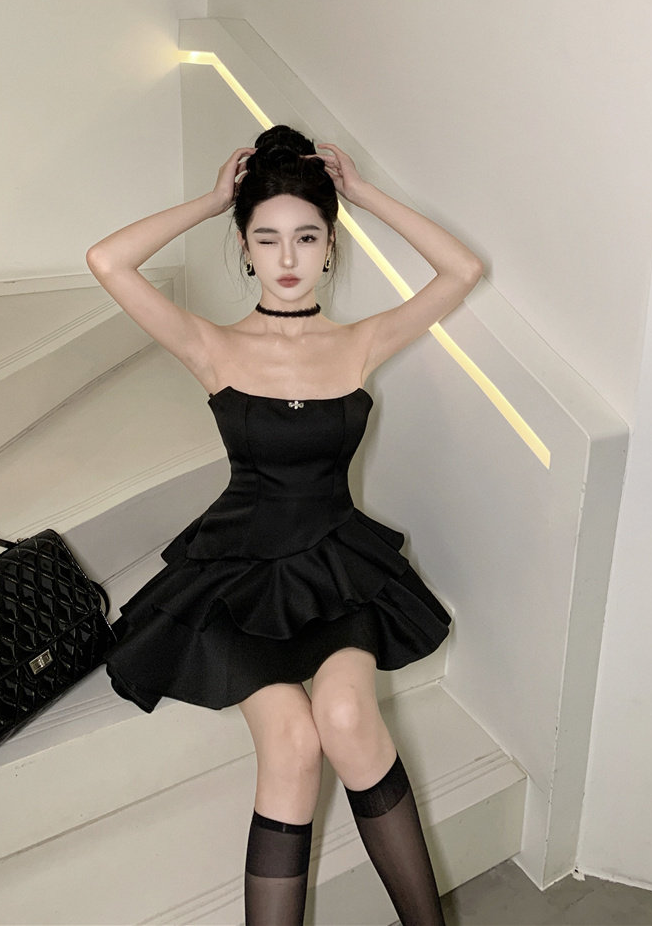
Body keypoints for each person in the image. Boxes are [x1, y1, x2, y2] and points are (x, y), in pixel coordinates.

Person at [86, 125, 483, 926]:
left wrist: (363, 194)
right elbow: (107, 260)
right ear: (244, 248)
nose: (288, 257)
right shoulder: (212, 345)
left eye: (306, 236)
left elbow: (462, 270)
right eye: (267, 239)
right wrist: (208, 201)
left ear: (331, 245)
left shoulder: (359, 342)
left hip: (336, 564)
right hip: (235, 574)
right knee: (295, 745)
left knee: (346, 718)